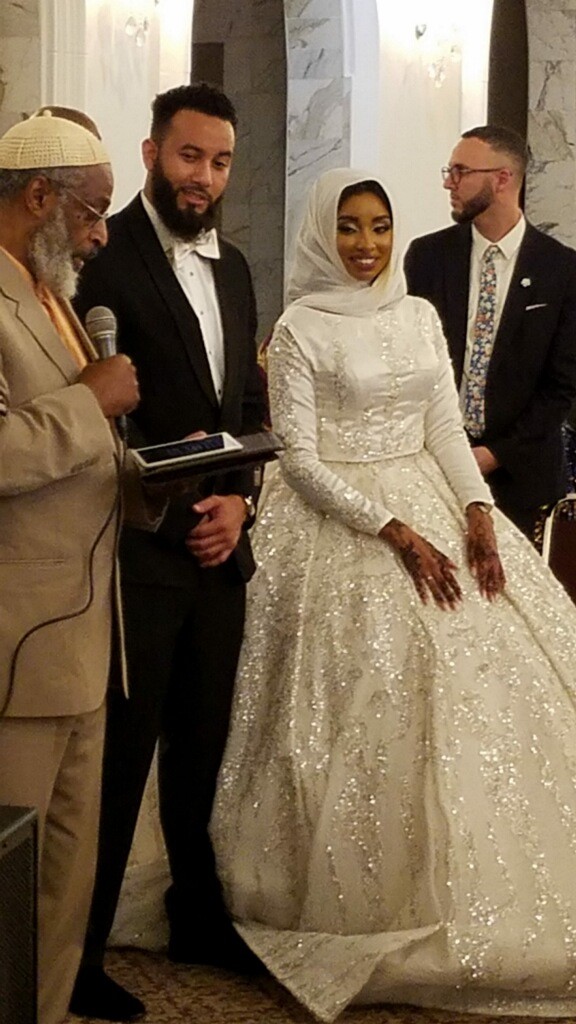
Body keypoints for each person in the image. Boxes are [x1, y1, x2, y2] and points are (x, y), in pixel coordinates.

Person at [210, 168, 576, 1022]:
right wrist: (394, 531)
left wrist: (475, 511)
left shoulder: (416, 314)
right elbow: (299, 457)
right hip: (339, 521)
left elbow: (443, 424)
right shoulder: (300, 327)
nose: (367, 244)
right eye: (349, 226)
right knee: (380, 678)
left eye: (379, 226)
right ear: (321, 232)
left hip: (434, 495)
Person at [70, 83, 265, 1022]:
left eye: (220, 162)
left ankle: (197, 918)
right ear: (152, 154)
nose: (205, 178)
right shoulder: (101, 255)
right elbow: (106, 410)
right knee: (117, 763)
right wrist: (186, 505)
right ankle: (76, 954)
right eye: (191, 157)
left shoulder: (237, 267)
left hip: (221, 553)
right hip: (140, 552)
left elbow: (246, 411)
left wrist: (240, 502)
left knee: (202, 750)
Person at [0, 112, 160, 1024]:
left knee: (64, 886)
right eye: (92, 212)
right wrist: (88, 402)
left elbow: (88, 449)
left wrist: (154, 484)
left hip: (89, 637)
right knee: (10, 884)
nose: (101, 234)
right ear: (38, 197)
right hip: (19, 645)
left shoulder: (55, 295)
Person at [404, 125, 576, 541]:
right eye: (449, 171)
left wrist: (494, 454)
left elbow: (561, 388)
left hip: (524, 480)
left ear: (502, 179)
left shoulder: (562, 270)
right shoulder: (427, 256)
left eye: (461, 171)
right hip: (435, 470)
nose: (449, 183)